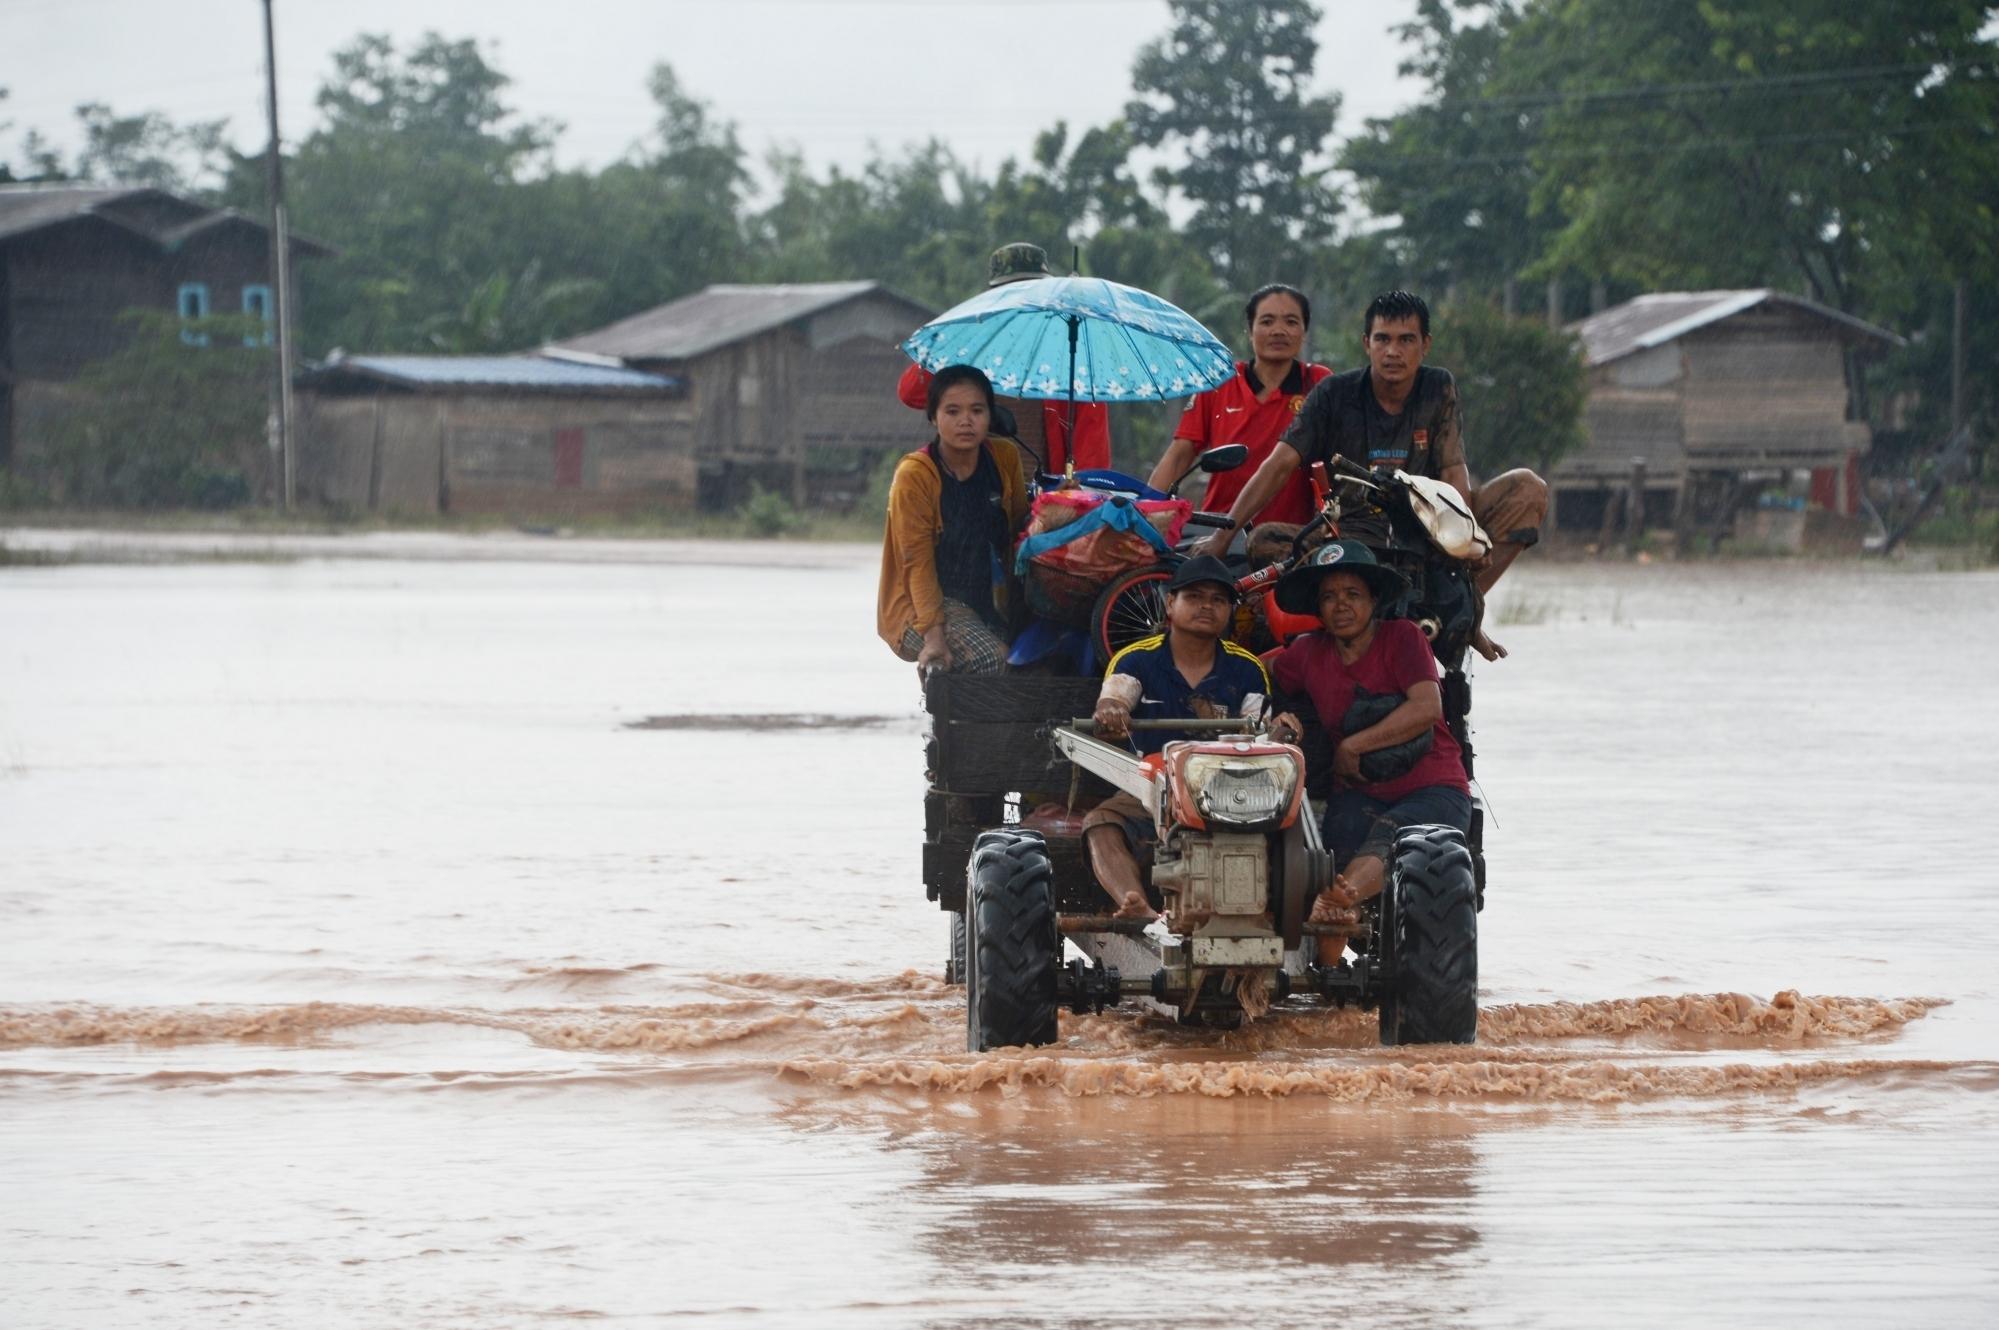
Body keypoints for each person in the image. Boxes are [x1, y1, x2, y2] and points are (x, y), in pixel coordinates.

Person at [1193, 290, 1549, 659]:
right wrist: (1225, 533)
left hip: (1429, 529)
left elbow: (1452, 468)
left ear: (1425, 345)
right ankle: (1343, 636)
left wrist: (1465, 536)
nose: (1393, 351)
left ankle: (1464, 611)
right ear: (1367, 343)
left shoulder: (1438, 387)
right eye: (1383, 339)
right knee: (1265, 540)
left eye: (1406, 340)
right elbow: (1279, 463)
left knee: (1528, 490)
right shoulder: (1333, 393)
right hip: (1353, 535)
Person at [1262, 541, 1472, 963]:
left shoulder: (1404, 638)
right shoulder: (1307, 652)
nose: (1341, 606)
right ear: (1318, 609)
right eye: (1329, 596)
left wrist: (1354, 745)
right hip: (1358, 793)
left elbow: (1426, 707)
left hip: (1433, 788)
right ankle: (1328, 977)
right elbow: (1258, 670)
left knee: (1383, 845)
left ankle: (1343, 901)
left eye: (1352, 594)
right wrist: (1274, 716)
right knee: (1325, 865)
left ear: (1374, 601)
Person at [1082, 555, 1270, 920]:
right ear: (1170, 604)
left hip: (1228, 792)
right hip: (1151, 788)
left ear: (1230, 612)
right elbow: (1115, 697)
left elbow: (1258, 730)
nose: (1207, 606)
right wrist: (1111, 711)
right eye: (1195, 596)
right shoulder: (1136, 658)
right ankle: (1134, 903)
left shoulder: (1247, 668)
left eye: (1218, 600)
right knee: (1100, 824)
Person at [896, 242, 1112, 474]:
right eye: (1010, 295)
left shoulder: (1071, 360)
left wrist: (1076, 499)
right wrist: (960, 342)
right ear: (993, 299)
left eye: (1030, 295)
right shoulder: (973, 351)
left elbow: (1093, 457)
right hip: (974, 488)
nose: (1021, 305)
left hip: (1042, 501)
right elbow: (911, 394)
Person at [877, 364, 1030, 678]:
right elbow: (915, 564)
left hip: (987, 597)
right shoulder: (916, 475)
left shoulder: (1004, 457)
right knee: (995, 660)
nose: (966, 421)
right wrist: (933, 637)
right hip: (920, 605)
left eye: (977, 410)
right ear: (933, 417)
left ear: (991, 415)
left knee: (1046, 660)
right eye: (952, 411)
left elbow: (1020, 531)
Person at [1145, 283, 1332, 526]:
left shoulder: (1319, 382)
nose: (1278, 330)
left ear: (1304, 331)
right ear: (1250, 330)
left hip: (1290, 538)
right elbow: (1180, 454)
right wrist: (1144, 509)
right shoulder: (1220, 383)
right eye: (1266, 322)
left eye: (1291, 322)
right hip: (1217, 532)